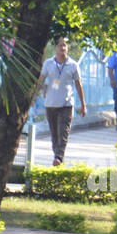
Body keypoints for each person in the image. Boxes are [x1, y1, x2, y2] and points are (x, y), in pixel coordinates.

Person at [37, 37, 86, 165]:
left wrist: (83, 105)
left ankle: (58, 157)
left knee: (63, 132)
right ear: (55, 48)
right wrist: (36, 96)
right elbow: (41, 81)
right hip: (51, 104)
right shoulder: (48, 63)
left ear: (67, 48)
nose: (62, 48)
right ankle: (57, 157)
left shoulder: (73, 65)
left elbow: (78, 85)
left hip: (66, 104)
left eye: (64, 45)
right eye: (60, 45)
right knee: (54, 135)